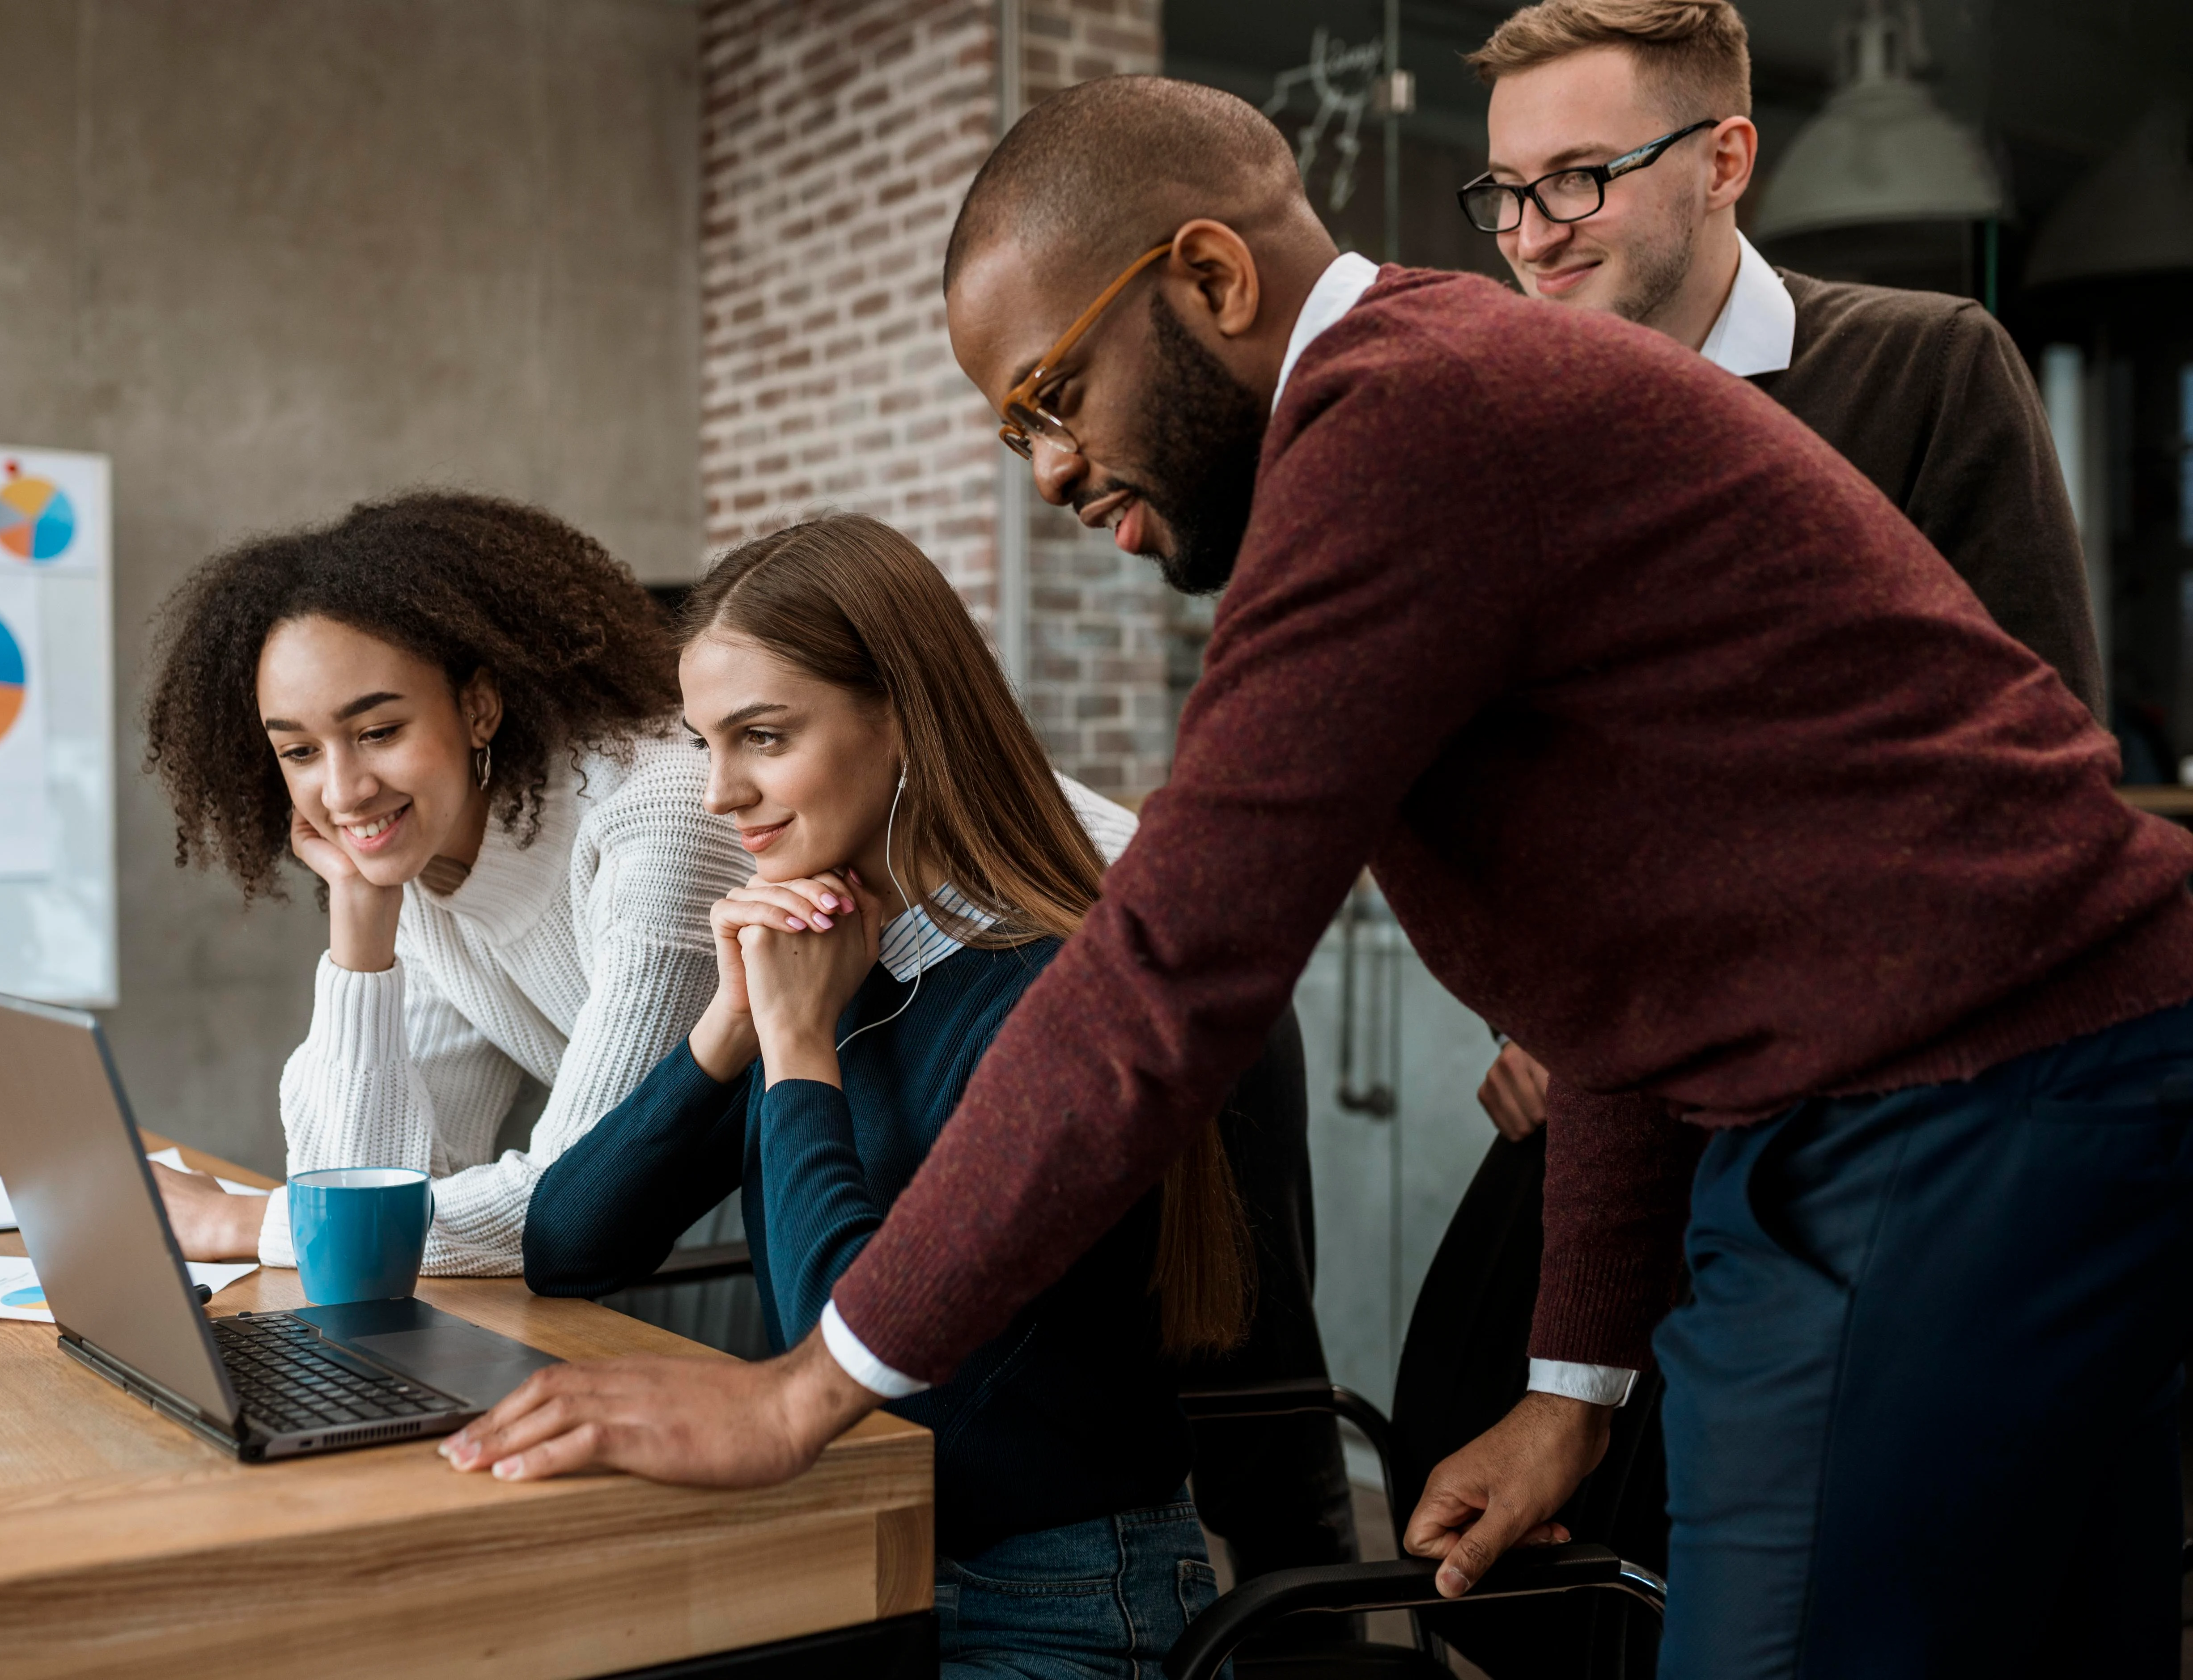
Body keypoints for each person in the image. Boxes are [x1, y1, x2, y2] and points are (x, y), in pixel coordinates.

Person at [440, 77, 2193, 1678]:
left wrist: (806, 1393)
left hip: (1964, 1096)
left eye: (1052, 395)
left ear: (1205, 279)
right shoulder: (1423, 430)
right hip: (1973, 1092)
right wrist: (1571, 1393)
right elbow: (1636, 989)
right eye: (1014, 436)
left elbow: (1171, 972)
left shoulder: (1404, 423)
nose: (1051, 471)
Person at [494, 513, 1247, 1676]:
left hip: (1067, 1600)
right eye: (706, 745)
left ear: (903, 715)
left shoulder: (1056, 987)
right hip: (860, 1558)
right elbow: (569, 1240)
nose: (720, 795)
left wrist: (798, 1040)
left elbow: (832, 1354)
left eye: (764, 737)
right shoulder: (837, 957)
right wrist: (731, 1024)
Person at [1460, 0, 2103, 1149]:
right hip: (1592, 1136)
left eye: (1578, 177)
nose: (1531, 235)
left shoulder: (1928, 370)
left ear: (1725, 161)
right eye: (1505, 190)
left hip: (1877, 1127)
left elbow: (2040, 806)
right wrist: (1531, 1013)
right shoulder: (1502, 448)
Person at [136, 490, 753, 1271]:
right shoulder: (427, 867)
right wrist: (362, 925)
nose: (343, 790)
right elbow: (369, 1189)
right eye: (299, 752)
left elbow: (574, 1193)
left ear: (479, 708)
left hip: (813, 1249)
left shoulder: (658, 819)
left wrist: (244, 1223)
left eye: (379, 732)